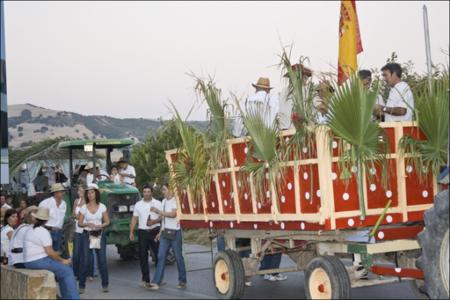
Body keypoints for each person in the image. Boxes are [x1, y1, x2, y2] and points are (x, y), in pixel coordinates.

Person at [23, 207, 80, 299]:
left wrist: (58, 255)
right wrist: (63, 261)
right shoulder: (43, 231)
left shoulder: (30, 229)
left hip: (29, 261)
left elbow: (44, 251)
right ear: (46, 221)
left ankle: (66, 297)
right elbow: (49, 253)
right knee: (67, 271)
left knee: (63, 271)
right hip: (38, 261)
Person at [148, 183, 187, 290]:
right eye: (163, 190)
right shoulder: (164, 201)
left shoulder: (176, 200)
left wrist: (158, 211)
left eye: (164, 189)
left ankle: (182, 280)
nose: (163, 192)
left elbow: (173, 214)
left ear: (170, 190)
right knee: (160, 256)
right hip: (165, 233)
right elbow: (164, 219)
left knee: (178, 257)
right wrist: (160, 232)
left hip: (176, 232)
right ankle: (156, 281)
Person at [78, 183, 110, 294]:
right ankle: (81, 285)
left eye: (92, 192)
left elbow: (107, 222)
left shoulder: (102, 206)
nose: (90, 194)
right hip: (87, 235)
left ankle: (105, 284)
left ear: (96, 193)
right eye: (88, 192)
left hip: (99, 235)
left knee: (102, 261)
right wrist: (87, 224)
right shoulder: (83, 207)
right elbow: (79, 223)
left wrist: (100, 225)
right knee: (85, 261)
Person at [129, 185, 162, 288]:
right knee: (143, 256)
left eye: (148, 191)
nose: (146, 193)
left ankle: (158, 279)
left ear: (152, 192)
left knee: (158, 256)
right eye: (144, 192)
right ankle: (145, 279)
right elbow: (134, 218)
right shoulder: (138, 204)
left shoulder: (158, 203)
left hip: (155, 232)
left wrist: (154, 221)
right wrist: (131, 232)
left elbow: (162, 217)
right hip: (142, 232)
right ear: (142, 193)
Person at [278, 63, 313, 129]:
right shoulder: (302, 90)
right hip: (297, 131)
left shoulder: (283, 91)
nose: (306, 81)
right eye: (305, 78)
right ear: (299, 77)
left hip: (283, 132)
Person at [72, 185, 93, 280]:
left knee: (86, 253)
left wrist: (79, 216)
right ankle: (76, 273)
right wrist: (78, 216)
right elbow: (73, 214)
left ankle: (88, 273)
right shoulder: (76, 201)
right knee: (76, 254)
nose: (78, 192)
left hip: (85, 230)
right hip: (76, 230)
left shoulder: (88, 203)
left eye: (80, 191)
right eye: (78, 191)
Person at [38, 183, 67, 252]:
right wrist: (49, 228)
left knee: (57, 253)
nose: (63, 193)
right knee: (47, 253)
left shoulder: (64, 204)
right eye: (61, 192)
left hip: (59, 232)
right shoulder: (45, 203)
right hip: (48, 232)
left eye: (63, 191)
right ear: (55, 193)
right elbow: (39, 220)